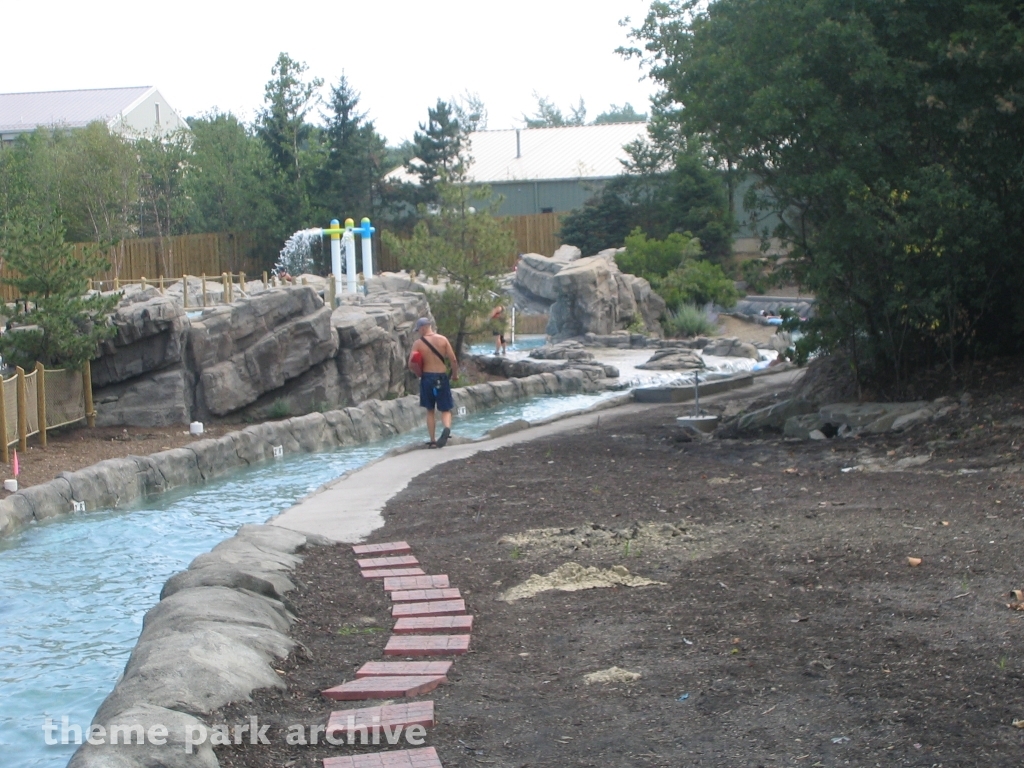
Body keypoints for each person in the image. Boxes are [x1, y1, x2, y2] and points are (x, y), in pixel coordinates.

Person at [410, 317, 459, 448]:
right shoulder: (443, 340)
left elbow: (411, 363)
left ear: (423, 327)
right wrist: (454, 375)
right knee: (446, 409)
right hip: (442, 377)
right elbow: (453, 360)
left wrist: (418, 373)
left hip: (427, 378)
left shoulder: (418, 343)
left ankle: (432, 441)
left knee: (430, 410)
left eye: (418, 329)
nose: (418, 332)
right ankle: (447, 428)